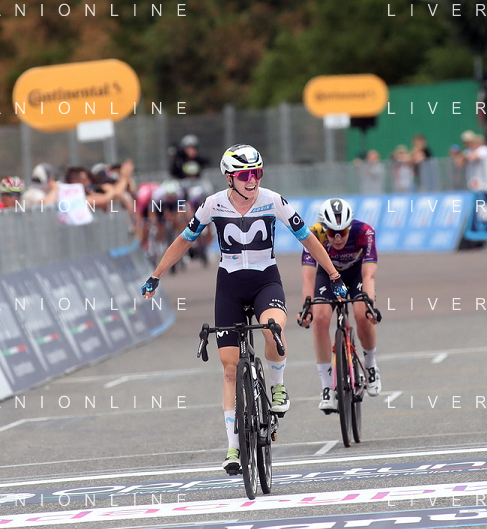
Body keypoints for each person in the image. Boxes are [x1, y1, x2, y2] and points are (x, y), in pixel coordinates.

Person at [139, 144, 348, 476]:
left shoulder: (273, 200)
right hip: (230, 287)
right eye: (245, 175)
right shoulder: (213, 204)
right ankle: (233, 447)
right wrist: (156, 275)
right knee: (229, 368)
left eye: (257, 173)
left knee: (273, 330)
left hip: (266, 281)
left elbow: (307, 239)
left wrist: (334, 275)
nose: (253, 180)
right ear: (229, 178)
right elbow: (184, 240)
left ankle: (277, 385)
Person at [299, 197, 381, 413]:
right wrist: (307, 308)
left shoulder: (364, 232)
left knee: (362, 314)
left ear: (350, 227)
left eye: (342, 232)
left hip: (355, 275)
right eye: (332, 232)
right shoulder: (313, 234)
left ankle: (370, 365)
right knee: (320, 319)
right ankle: (327, 387)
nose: (337, 238)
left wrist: (370, 305)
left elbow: (369, 275)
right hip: (327, 276)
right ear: (323, 228)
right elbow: (308, 278)